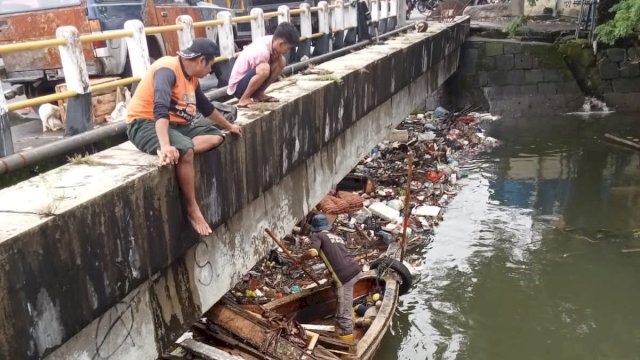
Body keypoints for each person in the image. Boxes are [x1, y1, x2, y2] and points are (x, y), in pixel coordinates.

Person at [126, 38, 242, 236]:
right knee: (186, 150)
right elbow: (160, 109)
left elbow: (206, 108)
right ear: (200, 61)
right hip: (145, 123)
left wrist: (229, 126)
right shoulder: (167, 70)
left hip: (177, 126)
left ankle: (180, 149)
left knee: (216, 137)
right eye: (210, 66)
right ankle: (192, 209)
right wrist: (165, 145)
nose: (210, 71)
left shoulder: (192, 78)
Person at [297, 214, 362, 343]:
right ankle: (349, 315)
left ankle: (348, 345)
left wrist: (300, 259)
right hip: (355, 270)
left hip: (345, 278)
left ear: (314, 228)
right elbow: (338, 257)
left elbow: (312, 253)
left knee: (344, 317)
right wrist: (330, 274)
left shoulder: (318, 236)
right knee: (341, 296)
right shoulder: (336, 237)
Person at [227, 22, 299, 107]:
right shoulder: (262, 50)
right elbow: (260, 72)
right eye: (288, 48)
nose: (288, 51)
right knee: (264, 69)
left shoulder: (272, 42)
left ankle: (259, 94)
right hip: (238, 87)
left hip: (249, 81)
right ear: (281, 43)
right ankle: (244, 98)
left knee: (281, 61)